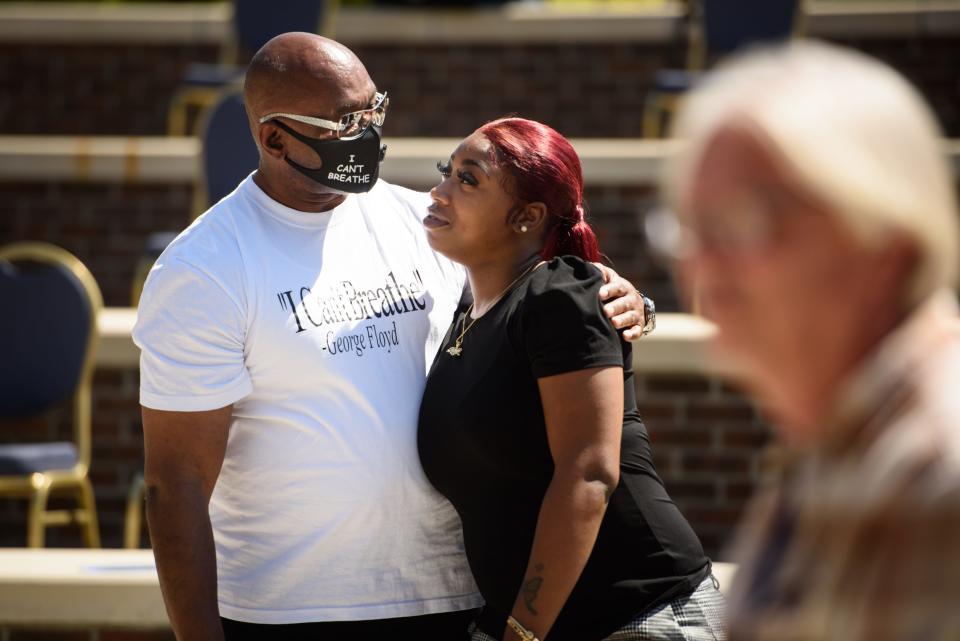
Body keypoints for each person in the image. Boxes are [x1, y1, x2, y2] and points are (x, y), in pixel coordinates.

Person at [134, 33, 650, 641]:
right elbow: (176, 485)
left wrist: (622, 295)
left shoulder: (422, 223)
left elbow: (537, 298)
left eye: (373, 110)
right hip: (289, 612)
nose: (366, 132)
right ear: (273, 137)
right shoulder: (204, 267)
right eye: (342, 121)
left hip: (455, 596)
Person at [657, 41, 960, 641]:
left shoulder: (937, 478)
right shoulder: (837, 438)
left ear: (884, 242)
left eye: (742, 221)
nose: (701, 265)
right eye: (691, 226)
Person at [417, 117, 725, 641]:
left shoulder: (561, 295)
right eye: (447, 171)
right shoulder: (468, 312)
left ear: (527, 216)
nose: (439, 190)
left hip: (641, 617)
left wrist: (521, 630)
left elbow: (589, 476)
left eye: (467, 179)